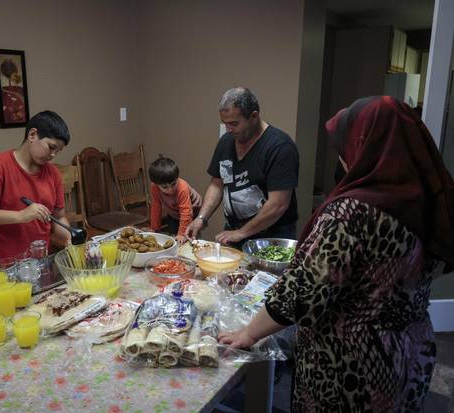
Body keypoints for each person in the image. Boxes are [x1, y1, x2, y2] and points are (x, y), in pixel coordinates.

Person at [219, 96, 454, 412]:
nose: (343, 158)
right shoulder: (426, 201)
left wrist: (249, 332)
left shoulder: (352, 213)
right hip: (410, 350)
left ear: (365, 144)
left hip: (352, 367)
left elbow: (303, 292)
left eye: (344, 148)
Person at [185, 87, 299, 248]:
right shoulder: (226, 142)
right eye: (225, 123)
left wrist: (242, 233)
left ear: (254, 116)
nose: (228, 129)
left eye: (234, 124)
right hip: (234, 233)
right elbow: (217, 184)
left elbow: (278, 204)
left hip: (272, 237)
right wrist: (201, 218)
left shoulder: (280, 147)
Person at [0, 110, 72, 271]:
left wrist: (69, 239)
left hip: (38, 266)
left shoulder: (53, 173)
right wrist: (21, 215)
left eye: (58, 151)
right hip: (0, 269)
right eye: (51, 147)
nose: (53, 155)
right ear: (33, 135)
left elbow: (58, 217)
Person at [148, 155, 202, 243]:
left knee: (190, 238)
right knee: (173, 236)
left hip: (193, 212)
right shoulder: (154, 188)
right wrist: (154, 229)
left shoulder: (182, 187)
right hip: (174, 212)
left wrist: (182, 234)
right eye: (165, 187)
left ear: (177, 178)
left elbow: (186, 212)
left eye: (173, 184)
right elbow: (156, 208)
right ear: (156, 184)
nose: (171, 189)